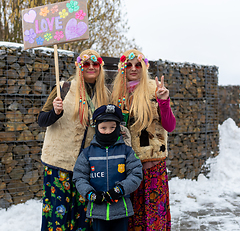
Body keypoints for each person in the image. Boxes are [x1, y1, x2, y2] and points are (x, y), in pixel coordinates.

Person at [38, 49, 109, 231]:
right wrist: (55, 112)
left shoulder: (105, 95)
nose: (91, 67)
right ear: (79, 66)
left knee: (83, 219)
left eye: (95, 64)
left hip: (87, 169)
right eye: (86, 63)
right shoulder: (63, 87)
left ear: (100, 67)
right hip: (59, 165)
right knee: (57, 218)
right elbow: (41, 120)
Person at [111, 49, 176, 231]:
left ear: (144, 67)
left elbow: (170, 126)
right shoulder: (117, 94)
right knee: (130, 221)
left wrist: (163, 102)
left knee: (154, 221)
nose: (133, 68)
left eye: (137, 65)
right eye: (128, 65)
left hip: (152, 168)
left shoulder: (155, 90)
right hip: (127, 170)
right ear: (122, 68)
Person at [72, 104, 143, 231]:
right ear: (96, 127)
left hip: (121, 210)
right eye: (103, 128)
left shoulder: (126, 151)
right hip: (98, 210)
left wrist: (120, 189)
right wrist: (91, 194)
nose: (108, 131)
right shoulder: (87, 153)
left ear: (118, 128)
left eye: (112, 127)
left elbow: (136, 174)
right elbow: (79, 177)